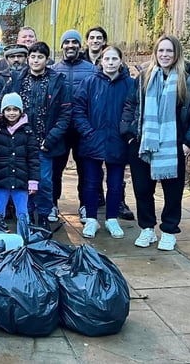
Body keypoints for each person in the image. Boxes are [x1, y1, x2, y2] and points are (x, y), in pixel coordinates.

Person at [121, 35, 190, 251]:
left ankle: (169, 231)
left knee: (172, 193)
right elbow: (130, 106)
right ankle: (147, 229)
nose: (165, 55)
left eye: (169, 51)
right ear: (155, 53)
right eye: (161, 51)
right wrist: (129, 135)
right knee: (142, 189)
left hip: (174, 146)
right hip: (143, 143)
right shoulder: (144, 77)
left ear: (177, 54)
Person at [1, 42, 70, 226]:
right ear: (28, 58)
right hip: (21, 141)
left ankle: (45, 215)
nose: (35, 60)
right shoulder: (17, 80)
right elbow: (4, 103)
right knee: (24, 181)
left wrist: (51, 139)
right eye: (32, 56)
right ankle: (28, 214)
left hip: (45, 143)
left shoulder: (57, 82)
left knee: (44, 182)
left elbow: (65, 115)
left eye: (40, 57)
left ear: (47, 60)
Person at [73, 46, 133, 239]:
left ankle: (112, 219)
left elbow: (134, 111)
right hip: (93, 141)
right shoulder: (89, 82)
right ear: (100, 61)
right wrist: (88, 132)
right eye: (106, 59)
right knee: (91, 183)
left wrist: (127, 133)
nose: (110, 63)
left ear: (121, 61)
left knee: (115, 184)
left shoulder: (130, 85)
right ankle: (91, 219)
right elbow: (78, 110)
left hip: (118, 141)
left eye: (114, 59)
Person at [51, 29, 97, 223]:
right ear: (62, 46)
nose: (70, 45)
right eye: (67, 42)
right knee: (55, 169)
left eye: (74, 42)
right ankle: (53, 204)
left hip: (82, 129)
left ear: (80, 45)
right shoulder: (53, 69)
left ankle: (85, 206)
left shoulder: (92, 69)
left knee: (85, 170)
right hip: (60, 129)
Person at [0, 93, 39, 231]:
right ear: (3, 111)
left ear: (21, 111)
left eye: (15, 109)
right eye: (8, 109)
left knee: (22, 212)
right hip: (1, 180)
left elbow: (33, 159)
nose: (12, 113)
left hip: (21, 180)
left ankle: (23, 241)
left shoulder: (28, 133)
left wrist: (33, 181)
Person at [0, 43, 28, 108]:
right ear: (7, 60)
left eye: (19, 56)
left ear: (26, 58)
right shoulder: (0, 78)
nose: (16, 59)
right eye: (12, 57)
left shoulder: (33, 76)